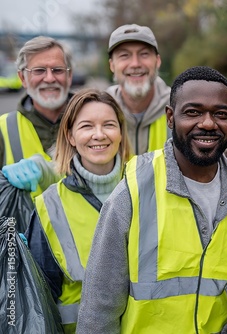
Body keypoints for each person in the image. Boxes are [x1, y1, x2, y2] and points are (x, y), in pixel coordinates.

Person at [77, 66, 227, 334]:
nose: (208, 123)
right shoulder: (134, 189)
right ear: (170, 117)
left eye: (220, 114)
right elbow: (99, 309)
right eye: (193, 112)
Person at [25, 88, 131, 333]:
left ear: (120, 132)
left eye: (109, 125)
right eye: (86, 126)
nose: (99, 134)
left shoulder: (146, 188)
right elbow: (39, 304)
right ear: (70, 136)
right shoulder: (50, 207)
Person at [0, 36, 73, 196]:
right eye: (39, 70)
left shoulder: (95, 122)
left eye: (57, 70)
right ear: (22, 78)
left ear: (69, 75)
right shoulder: (3, 128)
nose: (49, 78)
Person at [107, 23, 172, 155]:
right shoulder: (100, 112)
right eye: (124, 55)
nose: (135, 63)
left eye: (144, 54)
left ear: (157, 61)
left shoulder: (179, 109)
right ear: (112, 65)